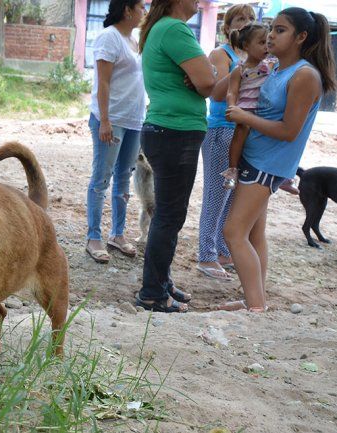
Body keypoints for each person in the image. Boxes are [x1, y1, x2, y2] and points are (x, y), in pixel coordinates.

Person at [220, 7, 336, 312]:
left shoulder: (304, 75)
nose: (271, 34)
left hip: (267, 164)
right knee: (254, 233)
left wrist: (245, 116)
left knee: (233, 232)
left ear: (301, 37)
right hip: (255, 157)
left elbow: (288, 130)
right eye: (271, 28)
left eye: (281, 30)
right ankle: (253, 300)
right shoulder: (275, 67)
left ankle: (256, 308)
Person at [135, 0, 216, 313]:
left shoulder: (162, 28)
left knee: (170, 215)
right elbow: (208, 83)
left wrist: (203, 75)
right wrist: (207, 74)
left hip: (168, 130)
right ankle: (152, 293)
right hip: (174, 131)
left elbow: (203, 80)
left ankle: (161, 283)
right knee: (169, 217)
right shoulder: (174, 28)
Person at [85, 0, 147, 264]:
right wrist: (105, 121)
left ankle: (117, 234)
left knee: (124, 178)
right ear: (128, 10)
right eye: (141, 7)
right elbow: (104, 82)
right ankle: (93, 237)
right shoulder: (109, 37)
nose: (144, 12)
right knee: (102, 178)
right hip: (112, 120)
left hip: (134, 120)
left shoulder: (134, 40)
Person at [196, 4, 255, 282]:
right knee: (216, 194)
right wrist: (241, 70)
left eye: (251, 18)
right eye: (240, 18)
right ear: (227, 25)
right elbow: (217, 95)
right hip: (221, 130)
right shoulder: (222, 54)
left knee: (231, 195)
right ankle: (206, 256)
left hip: (243, 131)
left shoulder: (254, 55)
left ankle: (220, 250)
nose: (245, 23)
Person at [221, 24, 273, 189]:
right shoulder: (240, 70)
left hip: (265, 111)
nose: (266, 46)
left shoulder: (271, 65)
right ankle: (232, 170)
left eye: (268, 42)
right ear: (246, 46)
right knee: (239, 135)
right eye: (261, 42)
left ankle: (283, 174)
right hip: (245, 110)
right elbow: (232, 92)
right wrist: (231, 107)